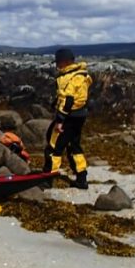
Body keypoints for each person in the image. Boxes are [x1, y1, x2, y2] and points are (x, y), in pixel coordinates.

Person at [44, 48, 93, 189]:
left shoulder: (68, 77)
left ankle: (47, 179)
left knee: (54, 148)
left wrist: (60, 121)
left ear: (64, 62)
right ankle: (81, 179)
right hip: (80, 116)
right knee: (74, 146)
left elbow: (68, 99)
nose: (57, 66)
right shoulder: (82, 75)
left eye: (58, 63)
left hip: (68, 117)